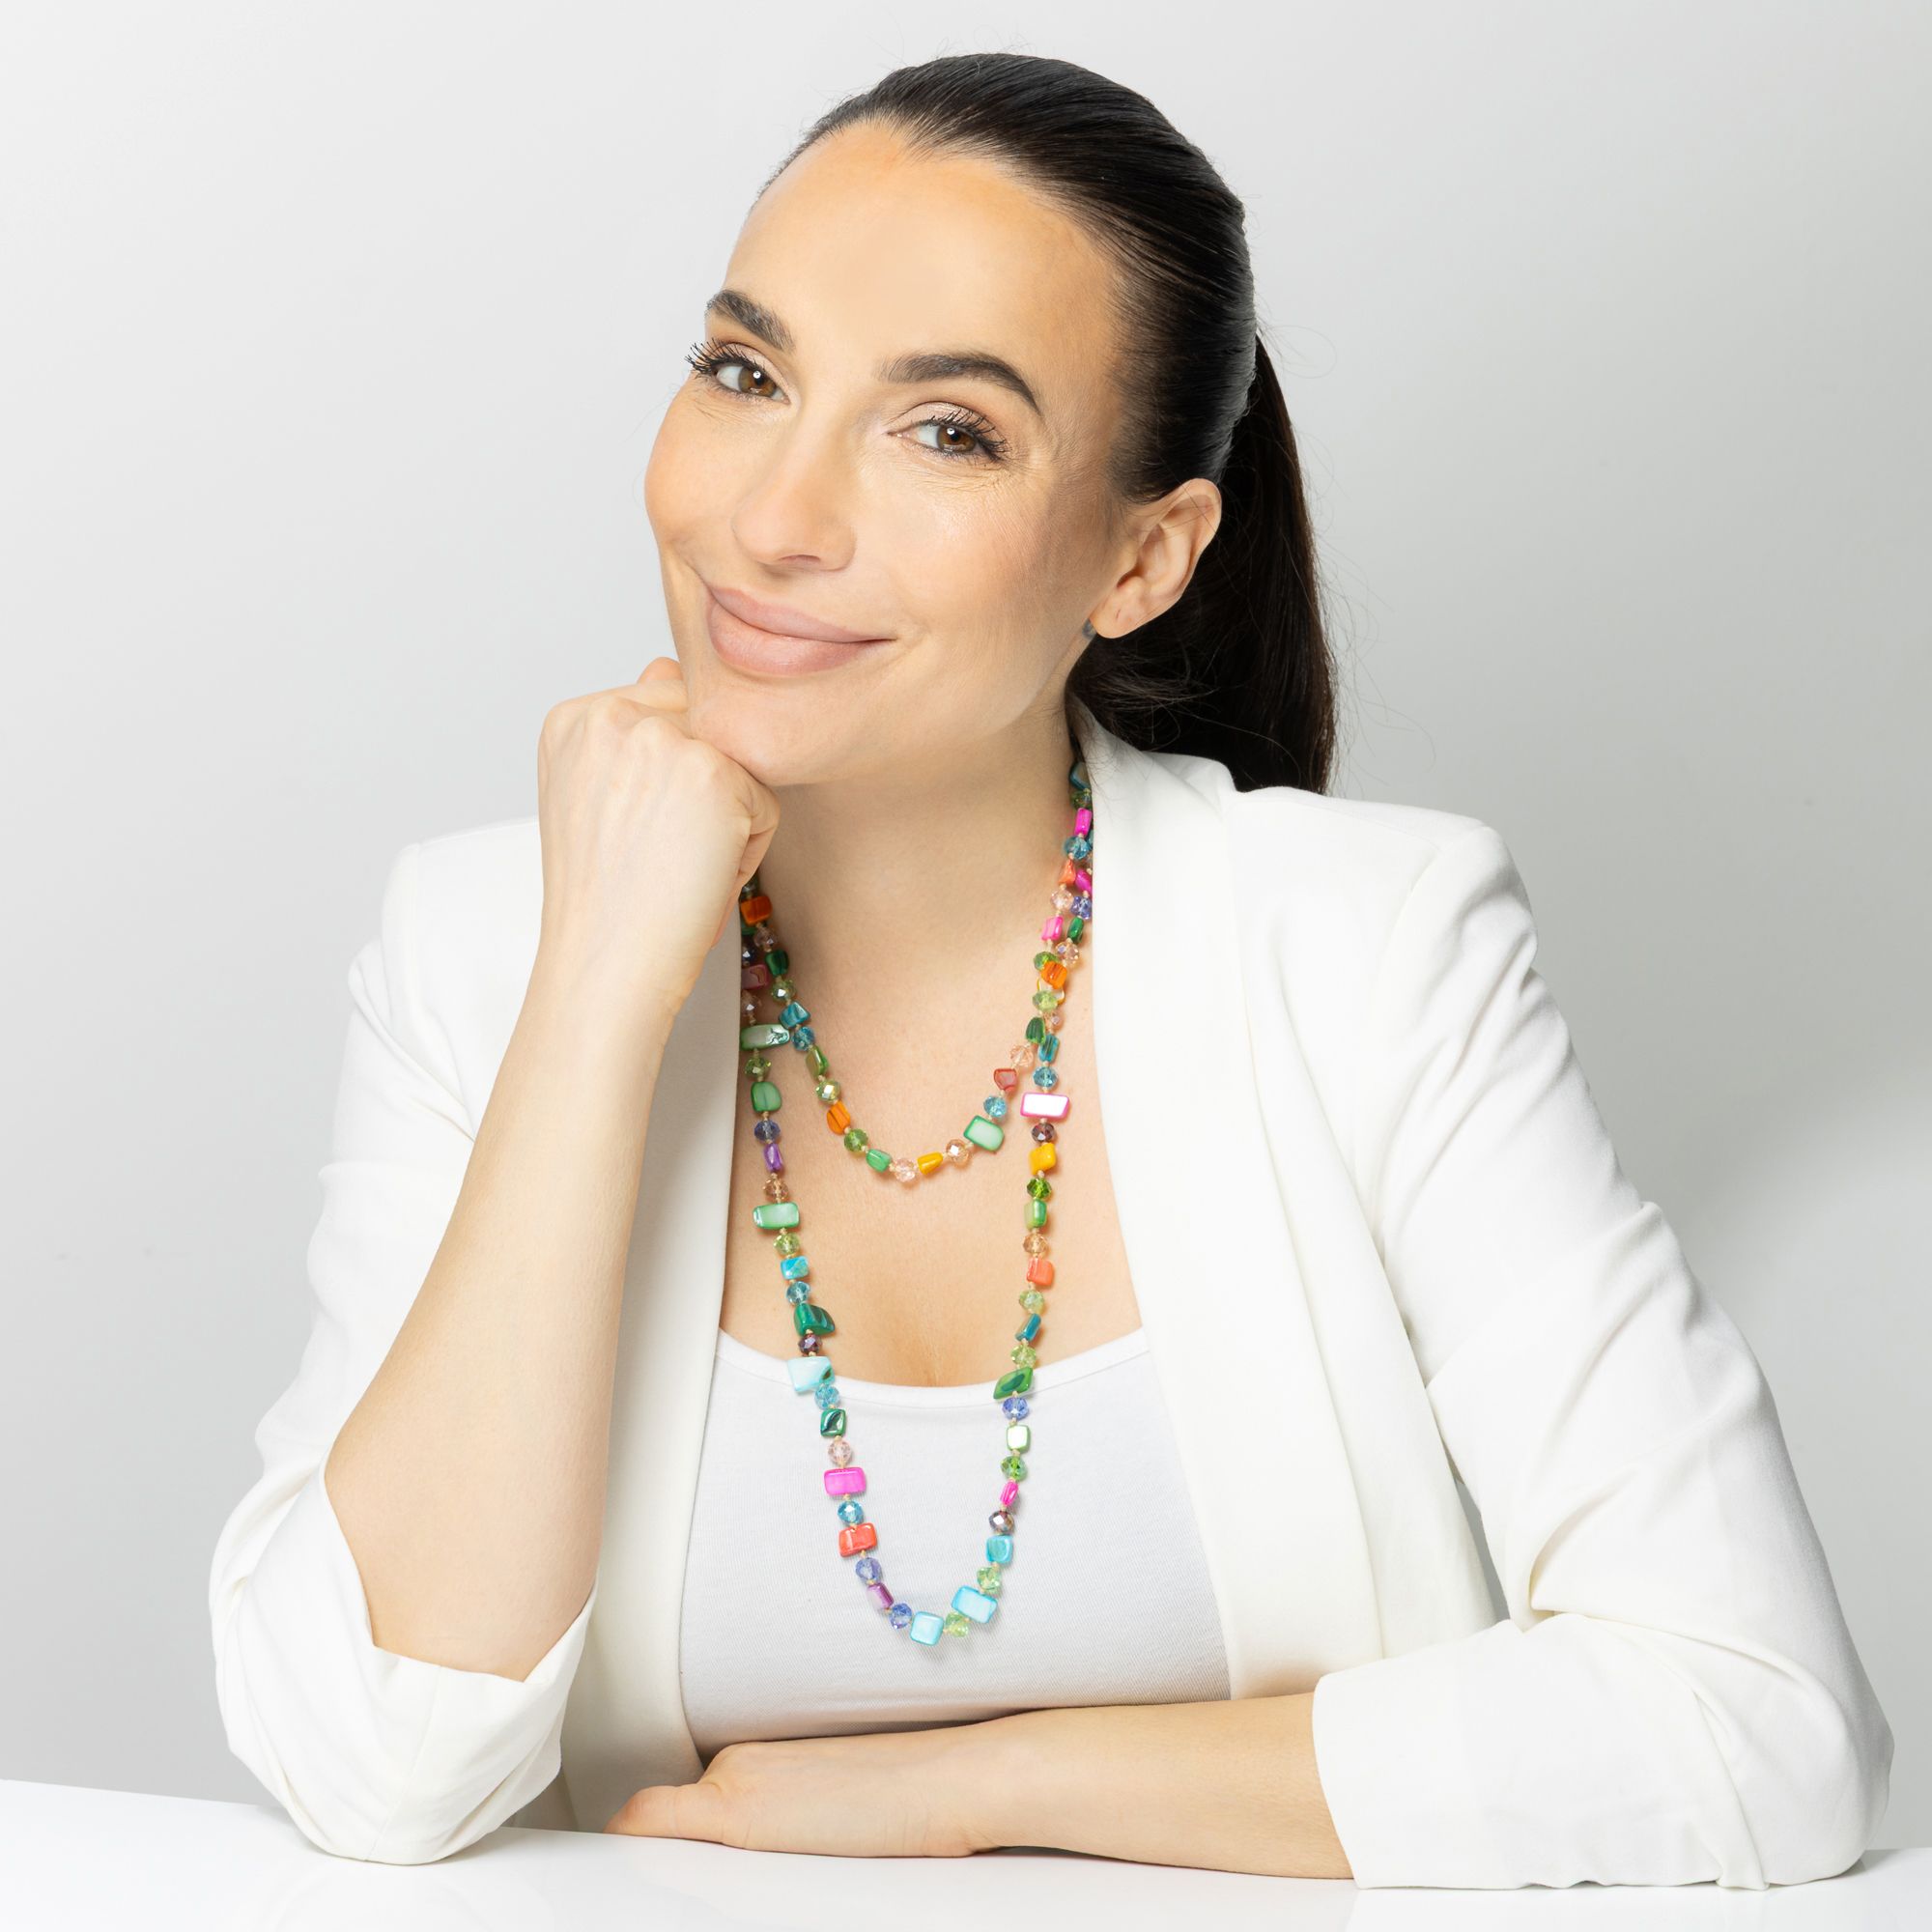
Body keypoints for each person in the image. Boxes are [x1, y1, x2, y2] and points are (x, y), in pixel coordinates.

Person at [207, 51, 1892, 1885]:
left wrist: (975, 1789)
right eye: (747, 374)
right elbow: (369, 1766)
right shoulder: (485, 951)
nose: (774, 522)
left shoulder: (1366, 950)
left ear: (1145, 557)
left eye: (947, 432)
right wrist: (597, 994)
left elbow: (1761, 1723)